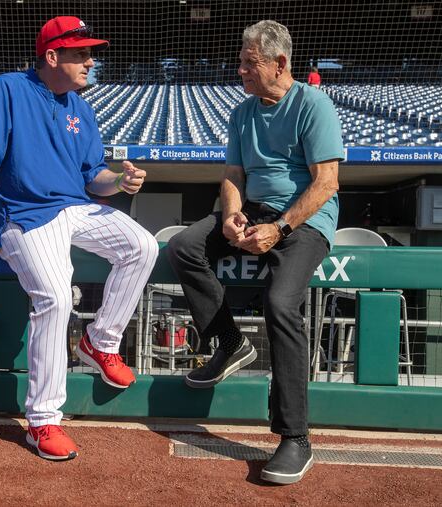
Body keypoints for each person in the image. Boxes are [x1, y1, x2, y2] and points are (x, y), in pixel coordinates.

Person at [0, 16, 159, 461]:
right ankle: (43, 420)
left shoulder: (81, 108)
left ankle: (100, 343)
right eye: (81, 53)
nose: (90, 61)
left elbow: (93, 178)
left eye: (90, 53)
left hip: (73, 207)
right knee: (56, 297)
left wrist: (120, 184)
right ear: (52, 55)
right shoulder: (8, 88)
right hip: (23, 214)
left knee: (142, 245)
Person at [166, 20, 342, 485]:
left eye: (250, 62)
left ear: (280, 63)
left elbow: (327, 183)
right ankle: (229, 342)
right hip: (254, 212)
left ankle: (295, 437)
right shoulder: (242, 112)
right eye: (241, 61)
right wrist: (230, 215)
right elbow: (233, 175)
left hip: (301, 220)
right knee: (184, 246)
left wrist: (279, 228)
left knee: (281, 302)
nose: (240, 70)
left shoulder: (314, 103)